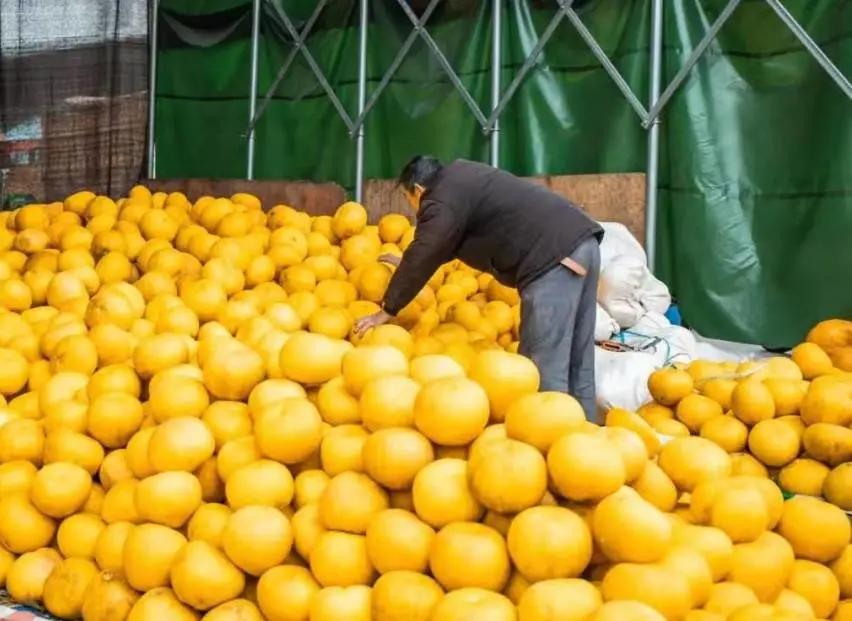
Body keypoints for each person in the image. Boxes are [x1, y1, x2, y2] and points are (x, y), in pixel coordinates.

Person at [354, 156, 603, 420]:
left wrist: (388, 308)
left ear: (417, 190)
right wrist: (409, 262)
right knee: (578, 359)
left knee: (542, 365)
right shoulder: (462, 178)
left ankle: (553, 444)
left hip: (554, 259)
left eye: (409, 200)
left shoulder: (440, 197)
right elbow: (442, 243)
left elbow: (429, 246)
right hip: (581, 245)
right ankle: (587, 435)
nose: (416, 210)